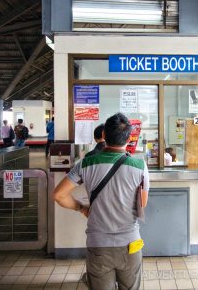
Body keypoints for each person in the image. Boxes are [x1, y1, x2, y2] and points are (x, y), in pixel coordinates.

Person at [53, 113, 149, 290]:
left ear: (103, 135)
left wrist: (81, 208)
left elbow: (59, 195)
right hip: (130, 243)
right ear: (129, 137)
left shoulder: (86, 163)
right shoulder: (140, 166)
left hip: (98, 244)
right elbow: (142, 204)